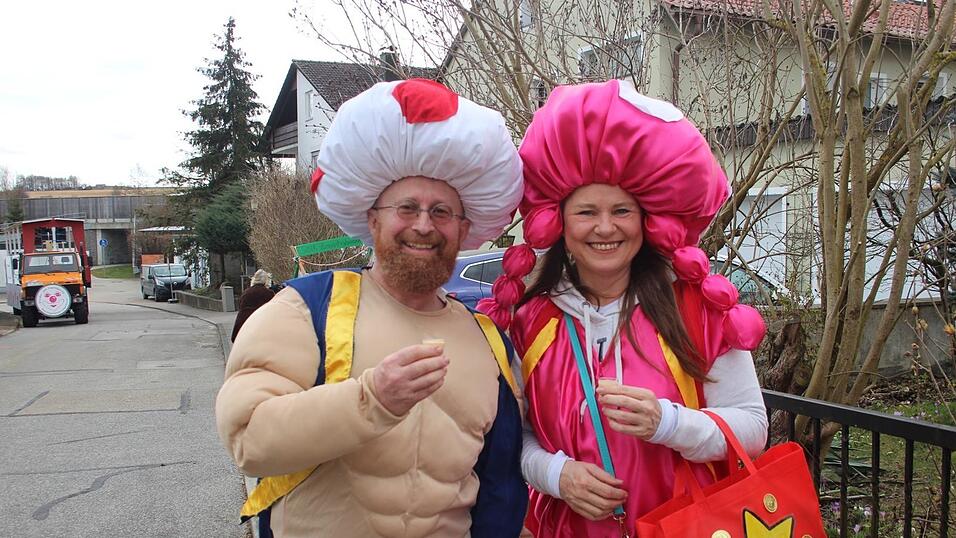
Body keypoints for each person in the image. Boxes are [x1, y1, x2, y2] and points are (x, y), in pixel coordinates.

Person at [215, 79, 528, 538]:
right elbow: (248, 439)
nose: (424, 225)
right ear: (372, 217)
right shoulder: (307, 309)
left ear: (464, 230)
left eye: (442, 212)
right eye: (407, 207)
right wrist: (372, 400)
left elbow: (499, 484)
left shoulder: (489, 343)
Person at [479, 80, 769, 537]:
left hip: (689, 526)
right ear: (560, 224)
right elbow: (513, 438)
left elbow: (753, 428)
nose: (604, 228)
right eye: (586, 212)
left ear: (645, 220)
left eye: (621, 211)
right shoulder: (529, 322)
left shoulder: (697, 310)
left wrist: (667, 422)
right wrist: (557, 476)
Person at [230, 269, 275, 342]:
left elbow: (240, 307)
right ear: (266, 280)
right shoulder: (269, 293)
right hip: (259, 325)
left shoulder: (246, 292)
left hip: (243, 324)